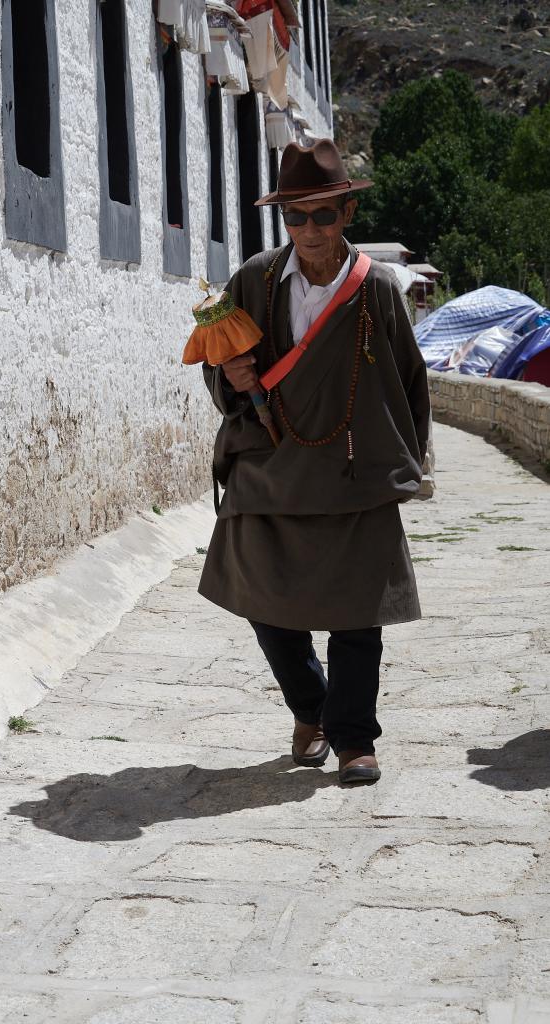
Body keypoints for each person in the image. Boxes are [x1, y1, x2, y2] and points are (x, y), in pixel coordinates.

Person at [199, 138, 431, 784]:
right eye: (294, 215)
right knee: (259, 595)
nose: (308, 230)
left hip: (354, 473)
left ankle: (354, 736)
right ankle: (311, 707)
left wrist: (403, 464)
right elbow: (221, 377)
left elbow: (411, 383)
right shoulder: (252, 280)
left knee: (359, 611)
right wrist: (227, 373)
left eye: (322, 214)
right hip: (270, 470)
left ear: (345, 216)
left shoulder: (376, 290)